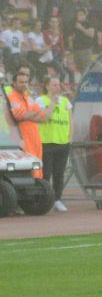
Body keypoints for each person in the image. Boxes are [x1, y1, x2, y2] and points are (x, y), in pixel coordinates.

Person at [37, 78, 71, 211]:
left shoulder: (66, 102)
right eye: (54, 85)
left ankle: (58, 199)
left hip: (63, 142)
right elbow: (44, 117)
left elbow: (70, 119)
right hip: (47, 141)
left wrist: (70, 138)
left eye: (58, 84)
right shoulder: (41, 100)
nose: (57, 87)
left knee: (59, 173)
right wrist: (52, 103)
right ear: (47, 86)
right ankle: (45, 199)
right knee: (46, 173)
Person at [7, 70, 44, 178]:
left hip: (35, 139)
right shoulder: (11, 98)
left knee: (38, 171)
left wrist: (34, 113)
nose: (24, 85)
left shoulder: (28, 97)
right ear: (14, 83)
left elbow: (41, 117)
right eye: (21, 82)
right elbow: (21, 116)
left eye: (26, 82)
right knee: (27, 172)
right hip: (22, 141)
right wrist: (34, 113)